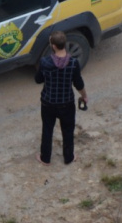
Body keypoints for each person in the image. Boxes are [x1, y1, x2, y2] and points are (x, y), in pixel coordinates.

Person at [34, 31, 87, 165]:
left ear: (53, 46)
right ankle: (68, 157)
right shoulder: (74, 63)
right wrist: (84, 96)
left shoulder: (45, 62)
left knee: (47, 130)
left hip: (48, 103)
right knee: (68, 130)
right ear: (63, 44)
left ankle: (45, 158)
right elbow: (78, 83)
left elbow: (38, 80)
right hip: (67, 103)